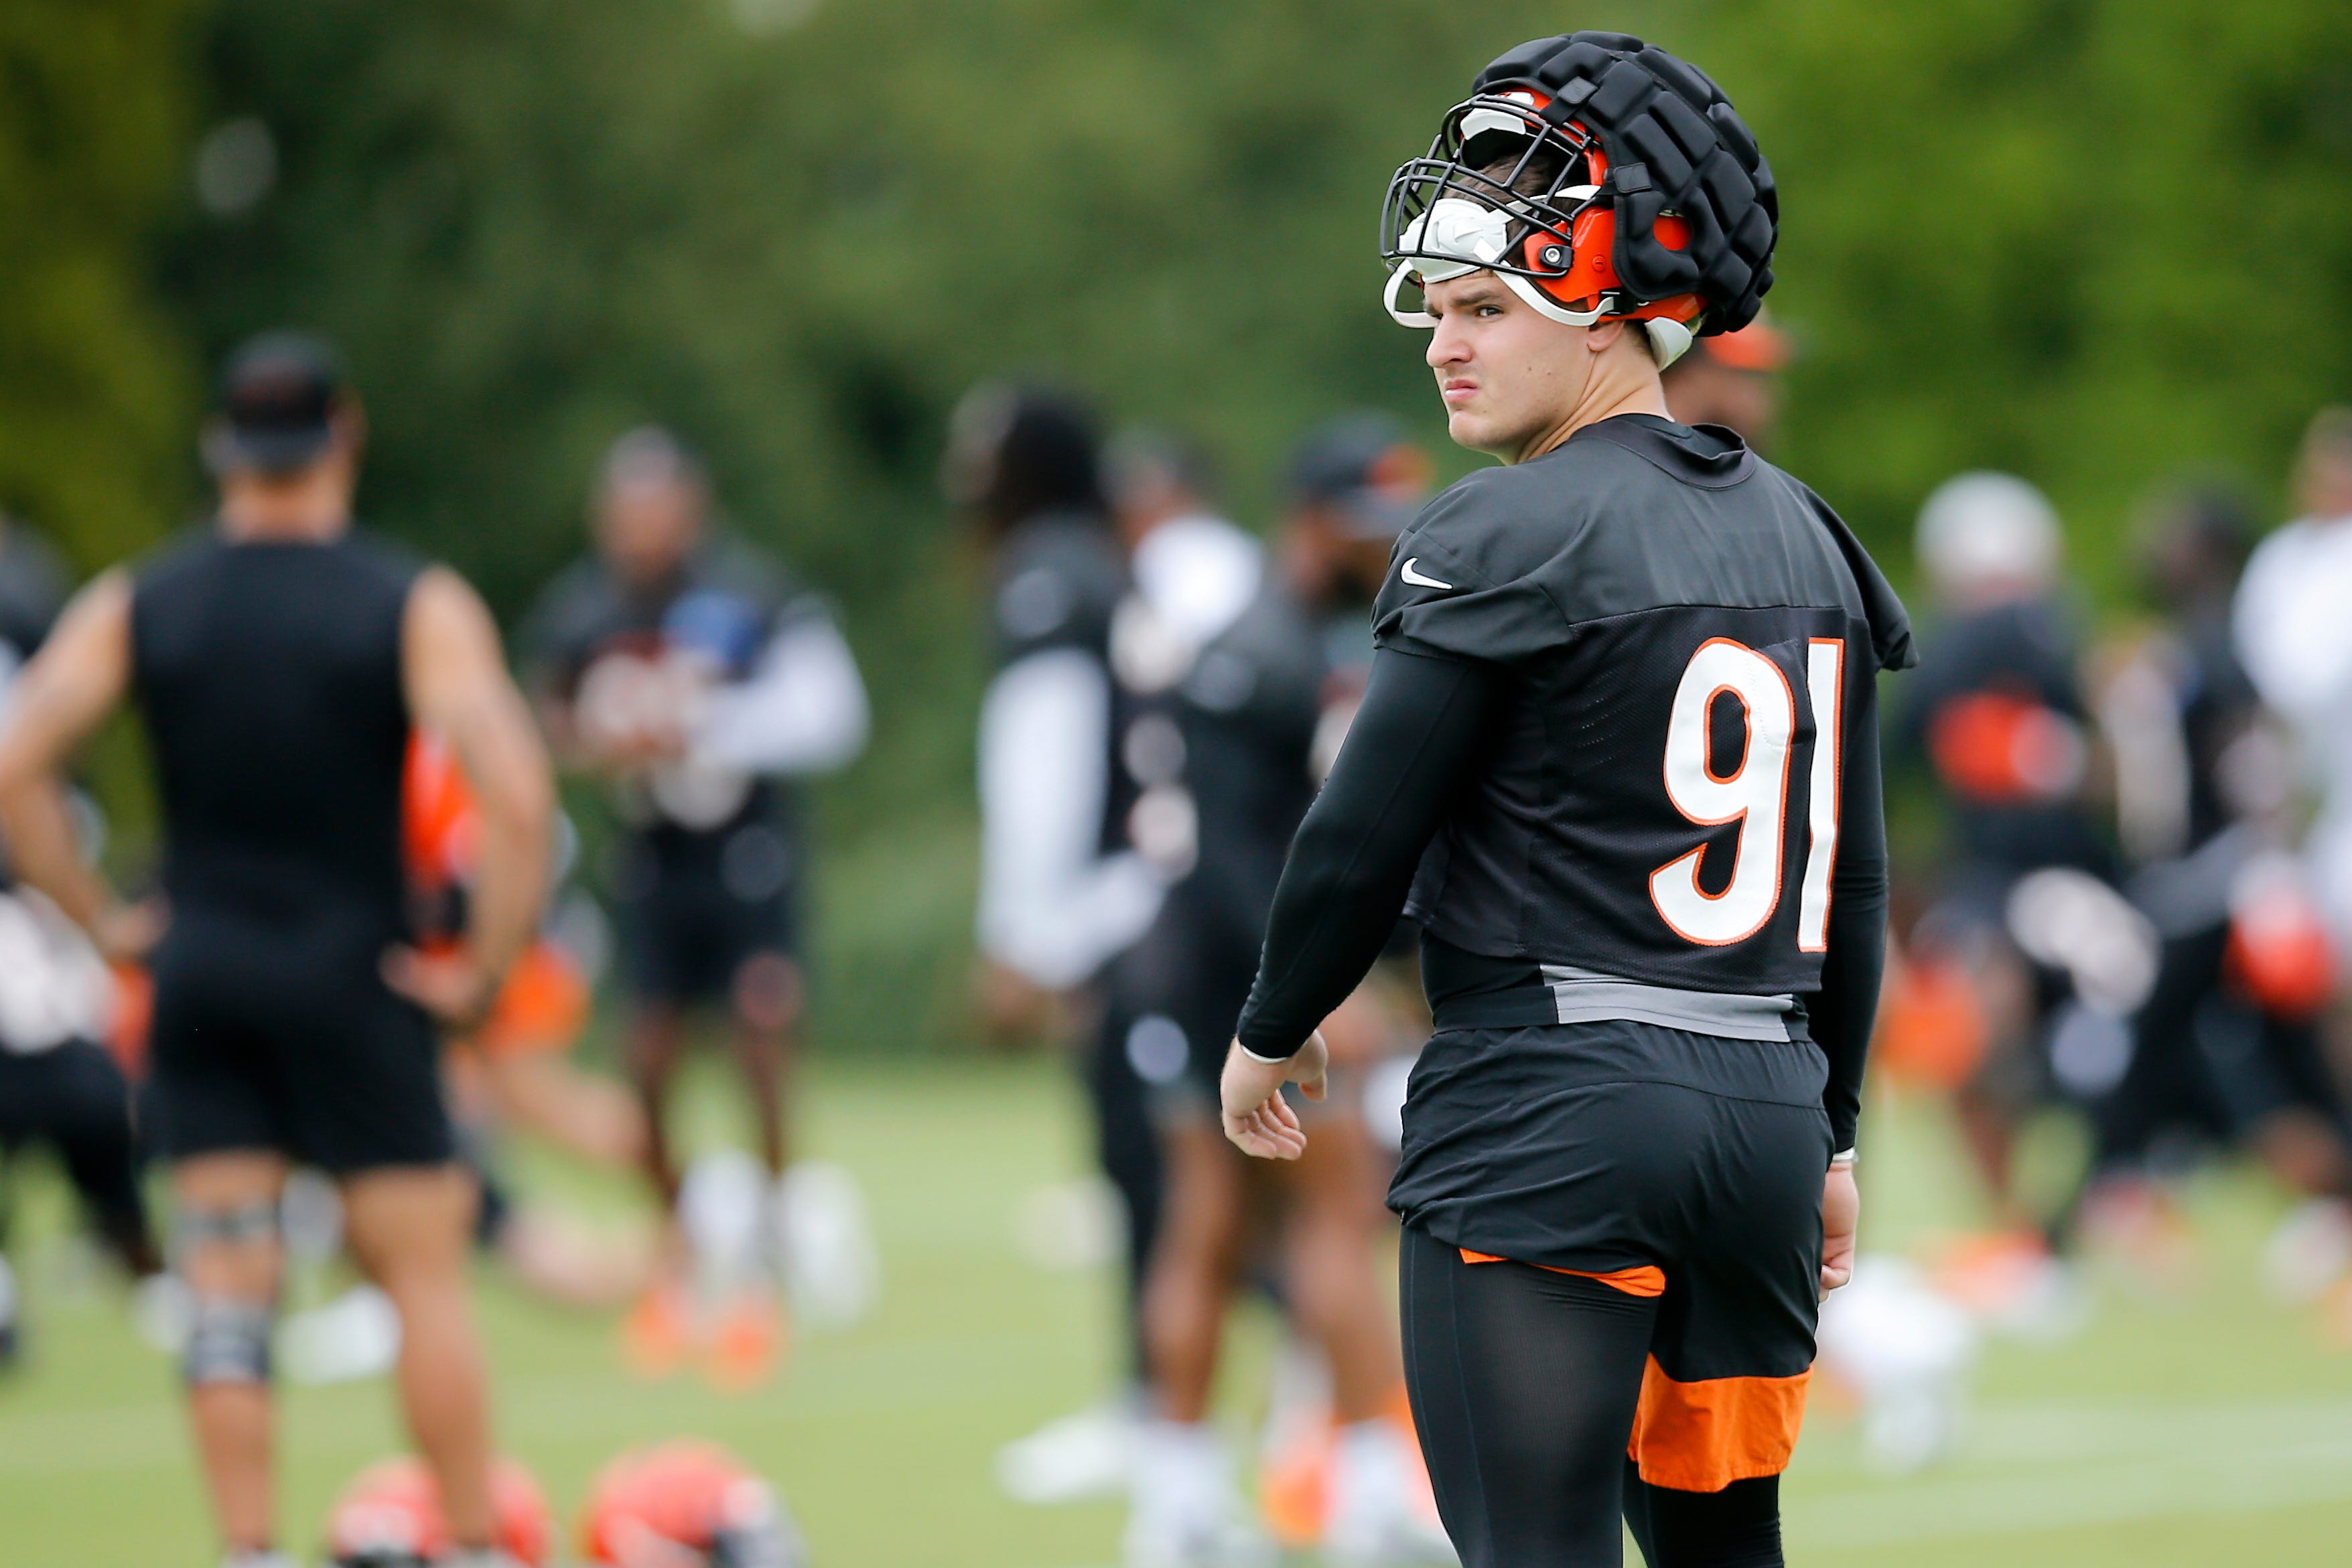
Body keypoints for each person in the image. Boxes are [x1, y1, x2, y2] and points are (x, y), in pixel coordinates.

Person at [1217, 33, 1911, 1567]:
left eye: (1479, 308)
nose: (1439, 347)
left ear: (1602, 309)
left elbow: (1357, 834)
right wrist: (1835, 1131)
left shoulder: (1503, 529)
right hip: (1761, 1116)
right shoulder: (1811, 536)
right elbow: (1845, 888)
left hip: (1554, 1104)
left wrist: (1269, 1024)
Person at [0, 332, 554, 1568]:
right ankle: (467, 1546)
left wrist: (101, 919)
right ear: (344, 435)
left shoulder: (142, 601)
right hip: (362, 974)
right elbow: (516, 795)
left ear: (221, 451)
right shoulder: (411, 601)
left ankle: (247, 1552)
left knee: (228, 1296)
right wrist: (482, 968)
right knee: (423, 1280)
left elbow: (16, 766)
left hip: (206, 976)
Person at [1103, 422, 1450, 1567]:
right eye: (1363, 519)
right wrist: (1308, 987)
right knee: (1265, 1219)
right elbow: (1222, 857)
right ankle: (1302, 1491)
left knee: (1266, 1221)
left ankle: (1221, 1499)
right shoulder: (1256, 645)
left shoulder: (1319, 632)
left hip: (1242, 961)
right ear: (1308, 518)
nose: (1382, 541)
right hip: (1213, 964)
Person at [520, 427, 868, 1382]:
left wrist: (703, 727)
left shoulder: (752, 592)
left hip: (747, 851)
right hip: (653, 859)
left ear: (691, 506)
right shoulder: (582, 609)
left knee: (760, 1037)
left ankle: (770, 1231)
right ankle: (676, 1247)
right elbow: (542, 719)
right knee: (648, 1057)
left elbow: (833, 714)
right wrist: (600, 744)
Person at [949, 384, 1172, 1506]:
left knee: (1157, 1168)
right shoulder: (1101, 559)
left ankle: (1157, 1410)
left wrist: (1020, 937)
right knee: (1182, 1173)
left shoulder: (1047, 569)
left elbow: (1045, 762)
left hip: (1120, 906)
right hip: (1157, 891)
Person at [0, 510, 161, 1365]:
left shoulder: (24, 587)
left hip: (19, 892)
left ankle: (138, 1251)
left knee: (86, 1090)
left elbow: (54, 750)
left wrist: (59, 872)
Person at [1659, 311, 1789, 453]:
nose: (1757, 392)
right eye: (1745, 374)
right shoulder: (1653, 448)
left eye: (1764, 376)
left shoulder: (1738, 459)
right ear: (1691, 372)